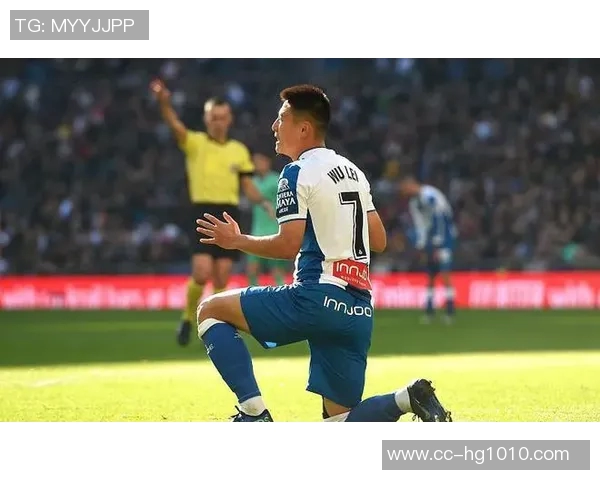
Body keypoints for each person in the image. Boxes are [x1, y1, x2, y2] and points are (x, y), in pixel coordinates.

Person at [194, 84, 453, 422]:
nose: (274, 126)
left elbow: (288, 245)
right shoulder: (353, 171)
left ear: (304, 129)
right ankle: (407, 398)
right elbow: (379, 240)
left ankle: (253, 412)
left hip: (314, 298)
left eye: (281, 118)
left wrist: (237, 241)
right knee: (339, 423)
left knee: (210, 310)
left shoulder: (295, 172)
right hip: (358, 309)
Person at [149, 79, 275, 347]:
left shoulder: (238, 150)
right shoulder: (196, 143)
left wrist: (264, 203)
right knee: (202, 271)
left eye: (222, 117)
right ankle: (187, 318)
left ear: (229, 119)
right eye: (213, 117)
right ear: (206, 119)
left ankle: (216, 323)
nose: (218, 122)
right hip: (203, 211)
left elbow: (247, 185)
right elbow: (175, 126)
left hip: (228, 213)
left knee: (221, 276)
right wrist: (164, 103)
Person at [399, 176, 458, 325]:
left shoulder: (430, 195)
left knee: (444, 273)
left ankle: (450, 310)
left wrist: (438, 242)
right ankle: (429, 310)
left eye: (406, 189)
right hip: (430, 240)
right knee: (431, 274)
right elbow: (420, 224)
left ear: (412, 185)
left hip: (445, 238)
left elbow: (441, 218)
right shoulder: (414, 203)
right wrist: (421, 244)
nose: (405, 193)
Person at [246, 152, 287, 287]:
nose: (257, 164)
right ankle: (253, 292)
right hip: (257, 228)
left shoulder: (277, 179)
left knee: (276, 267)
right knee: (252, 268)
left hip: (275, 227)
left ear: (267, 162)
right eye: (255, 162)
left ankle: (280, 290)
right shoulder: (252, 182)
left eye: (260, 161)